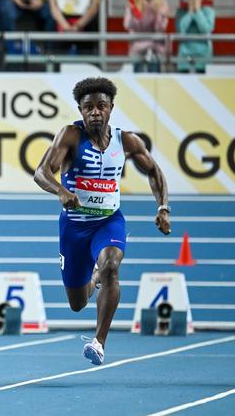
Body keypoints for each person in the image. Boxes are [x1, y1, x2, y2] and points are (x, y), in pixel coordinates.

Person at [34, 77, 170, 365]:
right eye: (88, 107)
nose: (95, 112)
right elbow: (41, 172)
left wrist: (163, 207)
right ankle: (93, 276)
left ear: (111, 108)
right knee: (77, 303)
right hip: (73, 227)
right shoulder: (70, 135)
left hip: (108, 222)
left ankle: (99, 342)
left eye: (101, 106)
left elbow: (155, 171)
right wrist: (61, 190)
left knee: (111, 265)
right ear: (81, 110)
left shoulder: (126, 140)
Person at [41, 0, 105, 58]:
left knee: (88, 61)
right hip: (61, 21)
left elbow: (95, 5)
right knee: (56, 60)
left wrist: (79, 25)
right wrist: (66, 27)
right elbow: (52, 5)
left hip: (86, 21)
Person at [123, 0, 169, 73]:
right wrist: (132, 11)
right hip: (137, 47)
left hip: (155, 49)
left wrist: (159, 13)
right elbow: (127, 25)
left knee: (156, 80)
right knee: (137, 80)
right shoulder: (133, 1)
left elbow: (160, 29)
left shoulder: (162, 3)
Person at [175, 0, 215, 73]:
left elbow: (206, 29)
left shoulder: (208, 11)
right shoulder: (181, 11)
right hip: (184, 56)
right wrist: (190, 12)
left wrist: (198, 11)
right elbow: (181, 30)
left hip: (203, 56)